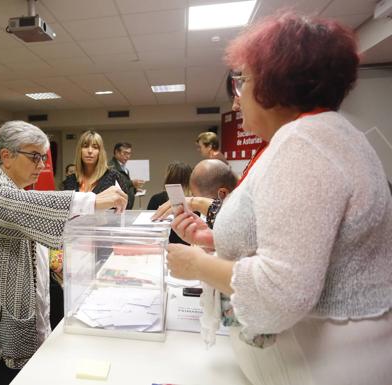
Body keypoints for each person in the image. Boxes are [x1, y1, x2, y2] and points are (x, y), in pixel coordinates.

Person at [166, 13, 392, 385]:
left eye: (243, 82)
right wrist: (212, 240)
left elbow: (281, 290)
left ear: (274, 83)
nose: (236, 102)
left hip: (322, 362)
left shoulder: (306, 143)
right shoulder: (321, 136)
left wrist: (197, 266)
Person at [0, 121, 127, 385]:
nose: (42, 165)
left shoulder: (13, 187)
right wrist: (91, 200)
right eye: (35, 157)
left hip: (4, 317)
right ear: (6, 156)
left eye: (44, 156)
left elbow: (26, 229)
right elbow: (13, 206)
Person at [147, 161, 192, 244]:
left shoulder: (156, 199)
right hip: (188, 246)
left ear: (168, 178)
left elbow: (150, 228)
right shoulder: (195, 203)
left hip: (161, 245)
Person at [108, 142, 144, 209]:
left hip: (124, 207)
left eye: (129, 153)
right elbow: (115, 185)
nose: (128, 156)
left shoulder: (124, 168)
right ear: (117, 152)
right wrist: (132, 183)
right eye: (125, 153)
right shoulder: (111, 167)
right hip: (115, 209)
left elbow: (125, 186)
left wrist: (134, 190)